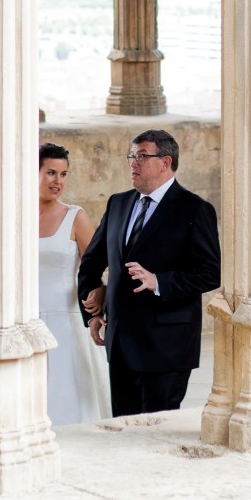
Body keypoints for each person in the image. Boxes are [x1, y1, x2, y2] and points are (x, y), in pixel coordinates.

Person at [77, 128, 221, 417]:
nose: (133, 163)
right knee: (123, 429)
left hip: (166, 347)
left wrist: (159, 282)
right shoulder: (118, 203)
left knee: (157, 431)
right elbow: (91, 262)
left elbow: (210, 273)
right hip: (119, 344)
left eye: (142, 156)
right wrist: (93, 313)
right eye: (131, 155)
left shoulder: (195, 209)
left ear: (165, 162)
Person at [38, 142, 110, 426]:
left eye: (64, 174)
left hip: (65, 320)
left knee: (69, 398)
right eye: (51, 173)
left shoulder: (75, 217)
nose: (58, 181)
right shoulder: (14, 215)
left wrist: (101, 293)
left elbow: (97, 265)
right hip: (25, 318)